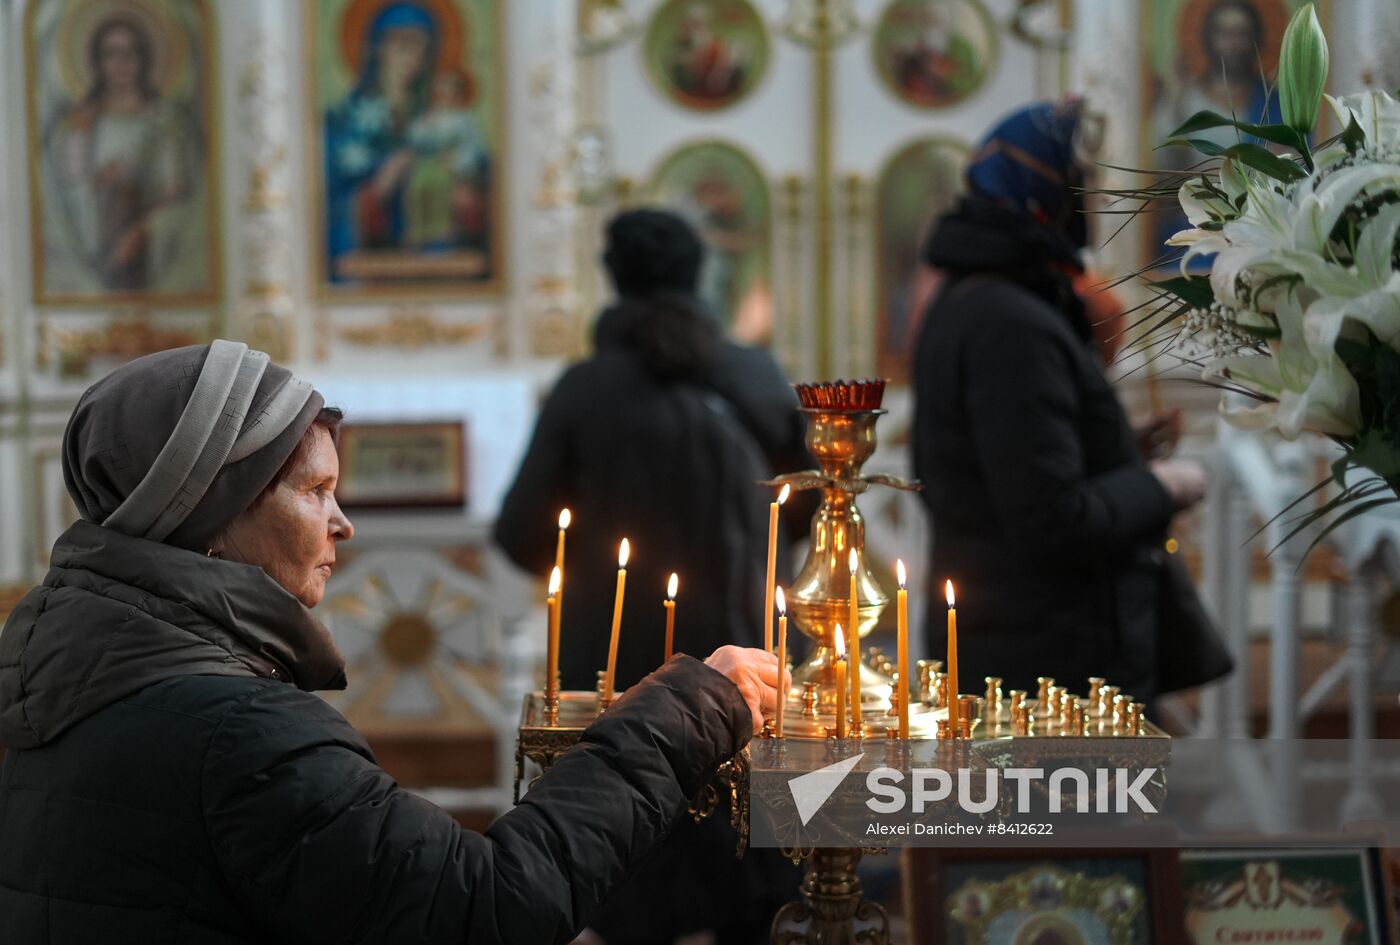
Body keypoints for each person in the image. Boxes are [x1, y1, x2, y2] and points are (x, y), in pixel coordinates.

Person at [0, 340, 783, 943]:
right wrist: (687, 709)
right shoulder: (237, 731)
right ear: (211, 515)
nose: (344, 524)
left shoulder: (67, 668)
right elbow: (487, 909)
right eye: (315, 491)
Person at [495, 208, 809, 944]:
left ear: (616, 278)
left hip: (621, 677)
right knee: (755, 889)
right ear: (699, 276)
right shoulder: (756, 373)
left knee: (632, 874)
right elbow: (803, 514)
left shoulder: (585, 389)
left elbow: (521, 532)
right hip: (747, 666)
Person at [911, 101, 1208, 704]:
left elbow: (1021, 462)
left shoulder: (977, 298)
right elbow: (1052, 519)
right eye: (1082, 184)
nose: (1091, 202)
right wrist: (1166, 485)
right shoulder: (1009, 323)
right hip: (1051, 673)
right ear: (1043, 188)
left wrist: (1121, 453)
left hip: (1022, 647)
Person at [45, 14, 200, 293]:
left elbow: (176, 190)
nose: (121, 63)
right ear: (97, 61)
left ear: (144, 60)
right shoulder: (79, 124)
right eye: (111, 53)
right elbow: (67, 192)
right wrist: (99, 182)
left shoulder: (164, 122)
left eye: (130, 53)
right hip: (96, 233)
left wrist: (140, 215)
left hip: (148, 235)